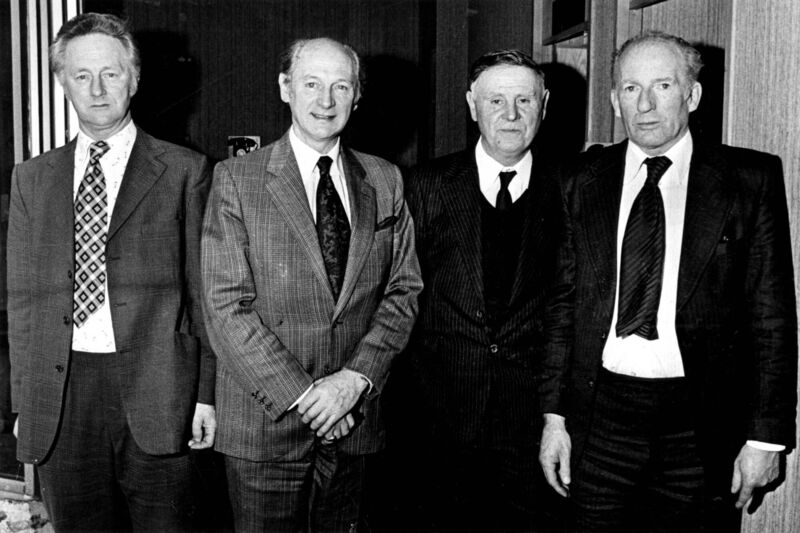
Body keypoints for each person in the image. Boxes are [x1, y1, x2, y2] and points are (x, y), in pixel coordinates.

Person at [539, 31, 797, 533]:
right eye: (631, 88)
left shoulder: (748, 180)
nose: (646, 104)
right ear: (614, 99)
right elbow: (562, 307)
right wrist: (554, 417)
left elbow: (771, 315)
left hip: (698, 426)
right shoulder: (580, 180)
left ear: (693, 95)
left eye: (663, 85)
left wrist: (765, 438)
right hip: (601, 420)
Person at [201, 37, 422, 532]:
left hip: (355, 423)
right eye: (311, 84)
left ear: (357, 96)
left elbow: (403, 291)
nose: (326, 101)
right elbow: (225, 306)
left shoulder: (386, 179)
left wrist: (353, 383)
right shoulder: (237, 179)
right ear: (285, 89)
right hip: (267, 426)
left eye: (340, 86)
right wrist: (310, 399)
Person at [7, 12, 216, 532]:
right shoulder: (33, 178)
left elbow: (207, 296)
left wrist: (207, 394)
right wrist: (24, 402)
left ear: (135, 78)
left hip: (159, 391)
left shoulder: (186, 171)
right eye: (81, 75)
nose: (97, 89)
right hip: (62, 394)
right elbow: (25, 302)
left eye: (111, 73)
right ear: (62, 83)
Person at [402, 49, 571, 532]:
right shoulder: (426, 185)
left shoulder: (571, 187)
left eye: (524, 100)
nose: (510, 115)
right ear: (472, 104)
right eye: (496, 100)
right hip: (438, 422)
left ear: (544, 105)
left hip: (531, 425)